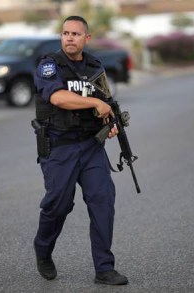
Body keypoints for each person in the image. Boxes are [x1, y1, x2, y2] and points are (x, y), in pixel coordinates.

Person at [32, 15, 128, 286]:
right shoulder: (49, 66)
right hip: (59, 147)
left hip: (90, 146)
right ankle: (43, 249)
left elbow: (106, 102)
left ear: (86, 38)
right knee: (59, 204)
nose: (69, 38)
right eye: (65, 33)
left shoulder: (95, 66)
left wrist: (110, 124)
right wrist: (94, 104)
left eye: (75, 34)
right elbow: (57, 97)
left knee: (103, 199)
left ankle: (104, 268)